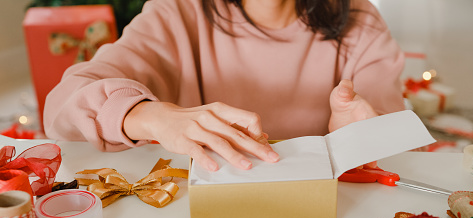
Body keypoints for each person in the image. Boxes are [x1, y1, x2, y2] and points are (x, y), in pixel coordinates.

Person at [44, 0, 404, 172]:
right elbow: (62, 105)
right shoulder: (177, 12)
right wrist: (149, 115)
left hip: (324, 208)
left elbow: (396, 147)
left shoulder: (361, 22)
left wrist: (360, 136)